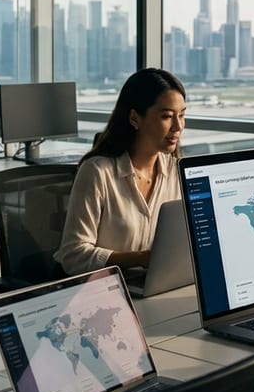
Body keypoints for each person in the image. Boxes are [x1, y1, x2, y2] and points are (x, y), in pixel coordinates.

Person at [55, 68, 187, 275]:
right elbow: (74, 255)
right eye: (167, 116)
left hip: (155, 286)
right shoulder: (98, 172)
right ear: (135, 118)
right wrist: (142, 259)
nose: (178, 126)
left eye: (182, 115)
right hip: (104, 292)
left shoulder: (176, 172)